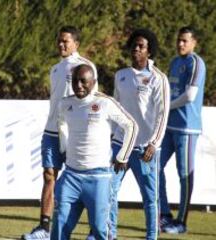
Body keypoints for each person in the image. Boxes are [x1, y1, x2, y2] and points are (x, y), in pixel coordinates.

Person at [21, 26, 97, 240]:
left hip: (75, 134)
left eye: (66, 41)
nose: (61, 44)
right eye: (59, 41)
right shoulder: (55, 69)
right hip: (51, 132)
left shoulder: (86, 67)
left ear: (76, 44)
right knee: (48, 176)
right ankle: (44, 228)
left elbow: (92, 100)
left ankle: (95, 230)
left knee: (84, 178)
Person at [50, 64, 138, 240]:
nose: (79, 85)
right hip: (71, 175)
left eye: (84, 81)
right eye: (75, 81)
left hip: (99, 178)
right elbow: (60, 124)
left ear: (93, 82)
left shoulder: (104, 103)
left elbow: (131, 125)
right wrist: (64, 147)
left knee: (99, 228)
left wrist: (123, 155)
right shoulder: (65, 103)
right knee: (60, 223)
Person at [109, 29, 170, 240]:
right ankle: (110, 235)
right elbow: (115, 109)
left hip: (146, 147)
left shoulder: (158, 79)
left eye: (141, 46)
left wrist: (154, 143)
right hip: (120, 144)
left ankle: (151, 237)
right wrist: (110, 136)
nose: (136, 49)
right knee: (109, 191)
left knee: (150, 198)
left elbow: (163, 115)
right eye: (134, 45)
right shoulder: (121, 75)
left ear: (149, 50)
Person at [159, 26, 206, 234]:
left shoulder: (195, 62)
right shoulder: (175, 62)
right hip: (169, 125)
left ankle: (182, 223)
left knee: (184, 175)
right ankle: (165, 214)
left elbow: (190, 96)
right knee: (154, 167)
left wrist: (167, 106)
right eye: (179, 40)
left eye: (185, 41)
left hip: (187, 128)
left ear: (194, 42)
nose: (180, 44)